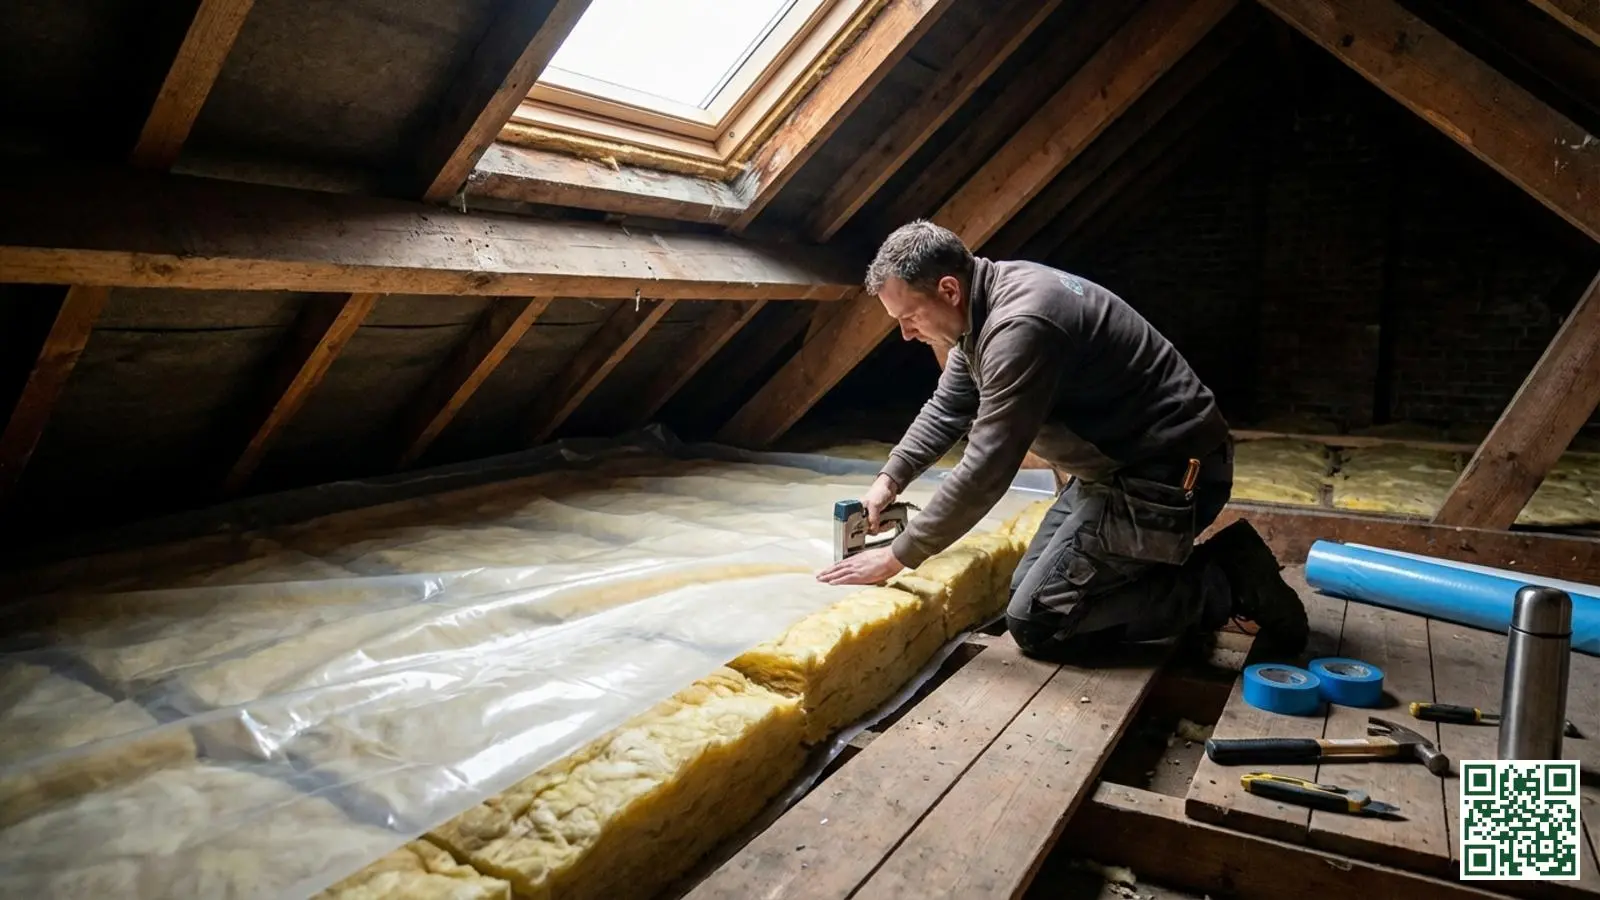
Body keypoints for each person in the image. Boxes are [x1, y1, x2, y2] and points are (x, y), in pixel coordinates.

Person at [815, 220, 1308, 660]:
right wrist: (888, 480)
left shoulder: (1021, 326)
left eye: (910, 317)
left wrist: (900, 555)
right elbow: (949, 406)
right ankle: (1191, 572)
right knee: (1025, 594)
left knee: (1039, 622)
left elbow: (988, 465)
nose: (905, 334)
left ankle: (1228, 580)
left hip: (1169, 474)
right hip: (1117, 470)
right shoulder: (983, 307)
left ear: (948, 289)